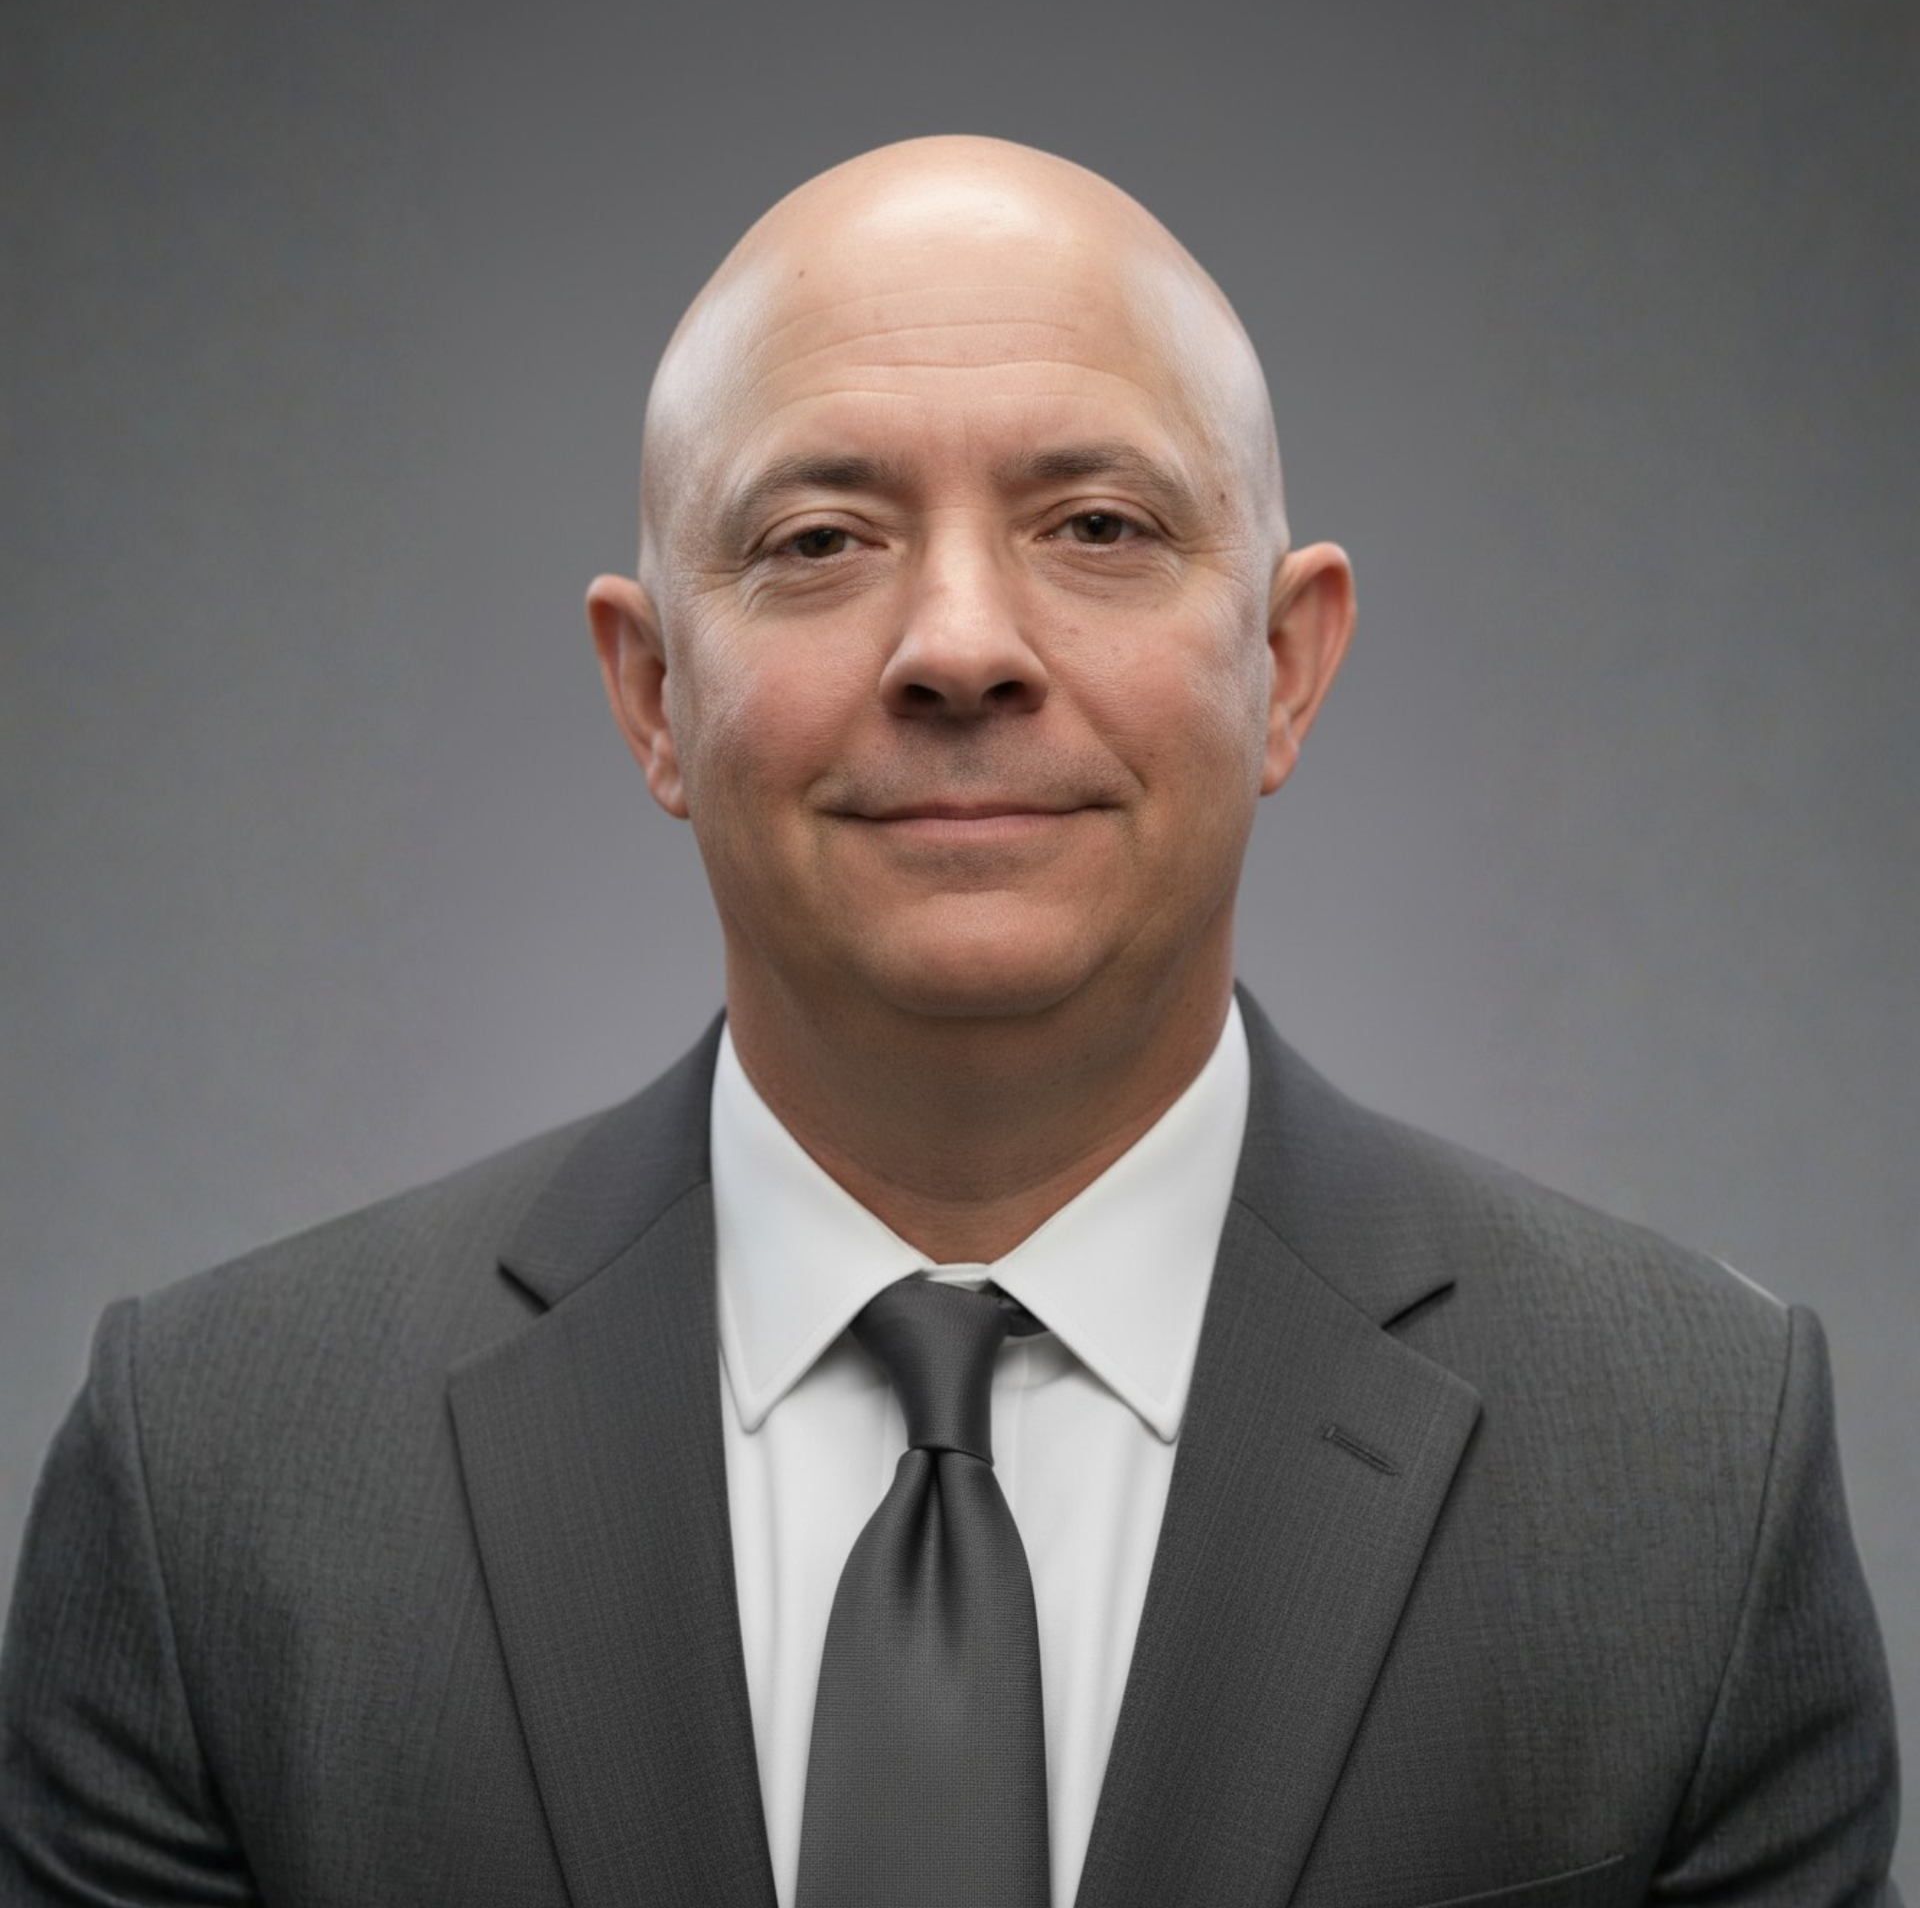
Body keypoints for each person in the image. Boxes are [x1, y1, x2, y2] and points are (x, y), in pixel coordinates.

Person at [0, 136, 1901, 1908]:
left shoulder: (1687, 1482)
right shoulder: (218, 1489)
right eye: (821, 540)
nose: (961, 645)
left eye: (1096, 523)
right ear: (654, 692)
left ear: (1285, 664)